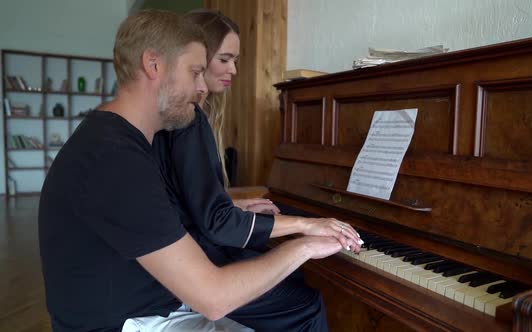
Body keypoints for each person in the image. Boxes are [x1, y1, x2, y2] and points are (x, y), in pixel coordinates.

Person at [38, 10, 345, 332]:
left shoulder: (117, 138)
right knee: (291, 307)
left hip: (146, 304)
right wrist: (304, 245)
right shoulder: (112, 158)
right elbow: (214, 297)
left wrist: (234, 209)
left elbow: (159, 214)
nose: (202, 88)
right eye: (195, 72)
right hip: (127, 322)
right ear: (154, 65)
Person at [151, 9, 362, 331]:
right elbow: (216, 223)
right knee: (304, 303)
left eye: (235, 60)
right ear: (197, 58)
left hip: (182, 249)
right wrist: (306, 225)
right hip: (189, 265)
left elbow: (186, 199)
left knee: (281, 268)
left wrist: (233, 205)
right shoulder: (190, 118)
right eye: (224, 59)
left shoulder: (176, 115)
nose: (233, 69)